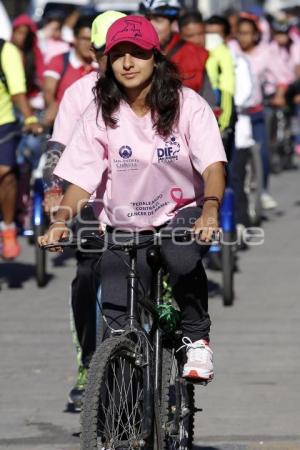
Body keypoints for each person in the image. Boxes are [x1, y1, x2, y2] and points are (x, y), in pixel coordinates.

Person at [39, 15, 227, 382]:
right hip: (122, 225)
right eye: (118, 54)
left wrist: (209, 209)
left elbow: (213, 167)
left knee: (179, 252)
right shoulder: (98, 112)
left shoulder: (187, 105)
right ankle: (113, 418)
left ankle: (196, 336)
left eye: (137, 54)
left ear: (155, 57)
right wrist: (61, 220)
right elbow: (80, 178)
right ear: (107, 60)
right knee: (116, 325)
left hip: (182, 211)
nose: (127, 63)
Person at [43, 10, 126, 411]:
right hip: (92, 203)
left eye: (125, 51)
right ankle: (89, 361)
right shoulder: (79, 93)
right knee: (87, 273)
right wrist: (53, 190)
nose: (117, 61)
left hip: (150, 206)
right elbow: (57, 150)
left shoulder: (158, 91)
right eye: (105, 52)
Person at [231, 15, 293, 209]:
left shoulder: (265, 53)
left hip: (256, 111)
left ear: (256, 34)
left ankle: (263, 191)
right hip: (233, 113)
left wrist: (280, 94)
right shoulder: (230, 50)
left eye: (248, 33)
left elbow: (282, 76)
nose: (244, 37)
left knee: (263, 153)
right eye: (240, 33)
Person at [0, 39, 42, 259]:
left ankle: (8, 229)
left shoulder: (5, 50)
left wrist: (30, 118)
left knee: (5, 173)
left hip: (3, 123)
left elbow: (17, 91)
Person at [140, 0, 209, 94]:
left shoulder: (192, 53)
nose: (151, 25)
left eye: (158, 20)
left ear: (173, 24)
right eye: (147, 19)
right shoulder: (140, 50)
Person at [43, 15, 95, 127]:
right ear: (75, 39)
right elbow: (48, 89)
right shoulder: (60, 60)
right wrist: (53, 106)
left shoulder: (100, 65)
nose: (88, 44)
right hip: (65, 124)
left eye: (92, 40)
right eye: (84, 39)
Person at [204, 15, 236, 159]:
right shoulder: (199, 49)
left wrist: (224, 123)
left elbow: (227, 87)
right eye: (208, 33)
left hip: (219, 110)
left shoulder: (223, 52)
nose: (211, 37)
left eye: (216, 34)